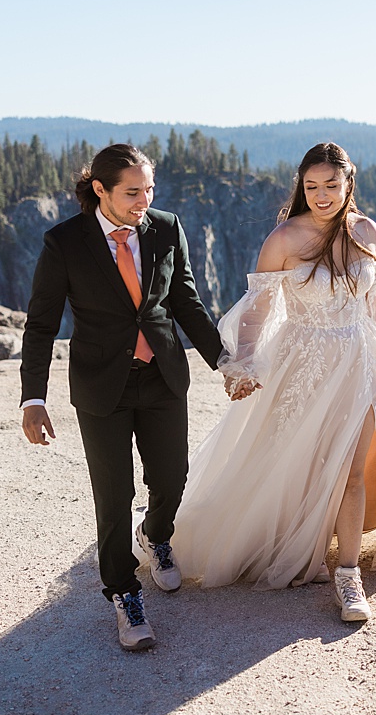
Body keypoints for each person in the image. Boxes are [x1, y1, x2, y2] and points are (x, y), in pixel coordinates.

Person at [170, 141, 376, 622]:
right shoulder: (284, 239)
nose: (322, 195)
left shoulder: (368, 232)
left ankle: (348, 576)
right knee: (296, 463)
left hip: (362, 362)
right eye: (312, 186)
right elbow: (256, 311)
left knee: (350, 468)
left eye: (331, 184)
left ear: (349, 183)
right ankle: (294, 542)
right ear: (301, 188)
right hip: (304, 364)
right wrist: (243, 365)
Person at [19, 143, 225, 651]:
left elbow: (185, 301)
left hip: (162, 376)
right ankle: (124, 591)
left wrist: (225, 361)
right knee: (114, 496)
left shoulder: (165, 227)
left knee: (172, 478)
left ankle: (155, 536)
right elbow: (42, 323)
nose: (144, 200)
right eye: (133, 192)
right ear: (100, 190)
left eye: (149, 189)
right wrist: (33, 398)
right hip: (101, 385)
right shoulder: (64, 242)